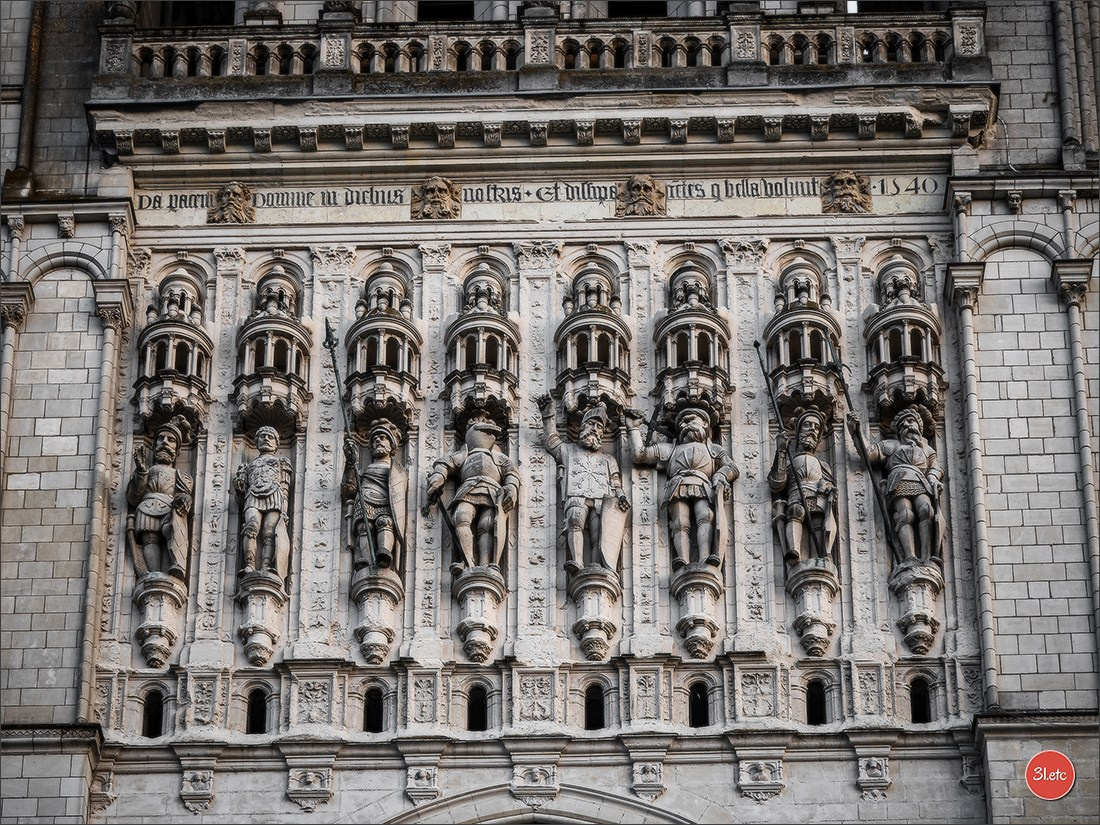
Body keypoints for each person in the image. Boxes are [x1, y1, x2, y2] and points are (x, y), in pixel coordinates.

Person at [627, 406, 737, 569]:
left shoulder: (713, 449)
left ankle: (705, 557)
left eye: (691, 420)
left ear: (705, 424)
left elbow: (731, 467)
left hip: (703, 485)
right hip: (678, 485)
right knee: (680, 522)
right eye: (683, 423)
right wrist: (633, 429)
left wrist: (720, 476)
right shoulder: (671, 449)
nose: (686, 425)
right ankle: (682, 559)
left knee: (705, 516)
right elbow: (639, 455)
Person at [537, 396, 629, 574]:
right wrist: (548, 415)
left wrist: (621, 495)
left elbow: (615, 481)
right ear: (582, 426)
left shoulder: (608, 459)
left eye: (599, 427)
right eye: (591, 424)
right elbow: (551, 441)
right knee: (574, 520)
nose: (595, 429)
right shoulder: (568, 450)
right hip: (576, 494)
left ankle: (597, 565)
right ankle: (577, 560)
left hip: (602, 498)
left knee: (598, 532)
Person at [424, 412, 520, 573]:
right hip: (468, 488)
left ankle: (486, 564)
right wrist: (438, 476)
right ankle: (467, 560)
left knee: (487, 524)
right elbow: (445, 464)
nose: (489, 434)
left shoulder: (498, 456)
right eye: (485, 430)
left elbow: (511, 472)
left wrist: (511, 487)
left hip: (492, 491)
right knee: (461, 517)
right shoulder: (464, 454)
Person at [849, 405, 944, 563]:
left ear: (919, 426)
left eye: (910, 421)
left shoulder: (927, 450)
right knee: (905, 514)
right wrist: (856, 432)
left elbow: (936, 467)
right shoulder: (892, 445)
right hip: (899, 480)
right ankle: (909, 556)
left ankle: (927, 556)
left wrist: (933, 477)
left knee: (926, 510)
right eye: (902, 424)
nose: (907, 425)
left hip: (921, 481)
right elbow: (869, 453)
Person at [127, 415, 194, 580]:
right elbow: (133, 497)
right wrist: (141, 472)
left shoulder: (180, 474)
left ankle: (175, 565)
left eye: (171, 440)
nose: (165, 442)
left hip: (169, 508)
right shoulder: (147, 471)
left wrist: (185, 499)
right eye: (161, 438)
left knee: (172, 531)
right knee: (150, 540)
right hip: (147, 507)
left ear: (177, 450)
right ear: (154, 444)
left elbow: (184, 493)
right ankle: (154, 572)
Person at [768, 409, 837, 565]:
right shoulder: (789, 461)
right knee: (795, 511)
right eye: (807, 425)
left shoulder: (822, 465)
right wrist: (781, 451)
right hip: (795, 495)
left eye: (816, 427)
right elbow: (777, 483)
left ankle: (820, 558)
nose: (812, 429)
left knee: (817, 523)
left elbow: (829, 483)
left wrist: (827, 487)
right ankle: (795, 551)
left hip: (817, 497)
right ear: (798, 431)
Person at [342, 419, 408, 572]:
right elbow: (349, 490)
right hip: (365, 500)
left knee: (385, 522)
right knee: (364, 527)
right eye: (375, 439)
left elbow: (398, 491)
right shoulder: (364, 470)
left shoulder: (396, 470)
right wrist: (350, 463)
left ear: (391, 445)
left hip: (385, 501)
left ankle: (384, 553)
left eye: (382, 437)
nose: (378, 440)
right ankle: (366, 558)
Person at [234, 425, 293, 582]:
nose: (266, 439)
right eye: (262, 436)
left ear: (277, 443)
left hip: (274, 496)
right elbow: (240, 497)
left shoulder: (282, 463)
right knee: (251, 526)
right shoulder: (247, 466)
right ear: (256, 441)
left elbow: (285, 489)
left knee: (269, 531)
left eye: (270, 437)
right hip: (252, 496)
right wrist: (239, 486)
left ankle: (266, 565)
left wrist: (284, 512)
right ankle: (249, 564)